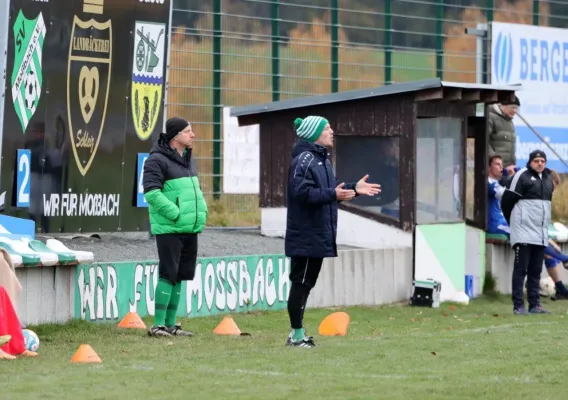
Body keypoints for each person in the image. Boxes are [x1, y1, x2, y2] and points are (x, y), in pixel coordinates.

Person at [284, 116, 381, 348]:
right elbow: (301, 194)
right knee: (301, 283)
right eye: (326, 128)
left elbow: (331, 190)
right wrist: (333, 194)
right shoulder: (304, 160)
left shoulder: (322, 160)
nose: (331, 131)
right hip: (306, 234)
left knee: (306, 283)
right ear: (313, 133)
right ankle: (295, 335)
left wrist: (353, 189)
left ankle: (298, 333)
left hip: (317, 234)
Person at [143, 117, 208, 337]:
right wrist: (176, 214)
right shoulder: (156, 160)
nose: (193, 134)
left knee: (181, 274)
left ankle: (171, 324)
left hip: (189, 228)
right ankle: (158, 325)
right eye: (188, 131)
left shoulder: (188, 159)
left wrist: (202, 211)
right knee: (168, 273)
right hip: (170, 228)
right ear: (175, 136)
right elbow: (152, 193)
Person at [487, 155, 568, 299]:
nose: (501, 167)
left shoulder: (500, 182)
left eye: (501, 164)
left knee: (545, 246)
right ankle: (563, 260)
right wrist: (512, 177)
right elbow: (507, 194)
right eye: (497, 165)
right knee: (535, 244)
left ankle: (560, 287)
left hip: (510, 223)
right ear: (489, 167)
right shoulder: (489, 183)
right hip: (497, 224)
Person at [501, 150, 554, 314]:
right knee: (520, 270)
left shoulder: (548, 179)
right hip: (523, 232)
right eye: (537, 160)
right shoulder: (521, 176)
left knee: (535, 271)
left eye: (542, 161)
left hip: (541, 233)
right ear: (530, 162)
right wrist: (515, 223)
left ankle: (534, 304)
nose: (540, 164)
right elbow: (506, 202)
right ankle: (518, 305)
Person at [488, 96, 520, 177]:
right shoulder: (491, 117)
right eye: (513, 107)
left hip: (507, 170)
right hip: (494, 169)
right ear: (504, 105)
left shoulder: (510, 122)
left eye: (517, 108)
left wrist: (513, 163)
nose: (515, 111)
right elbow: (483, 141)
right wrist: (494, 159)